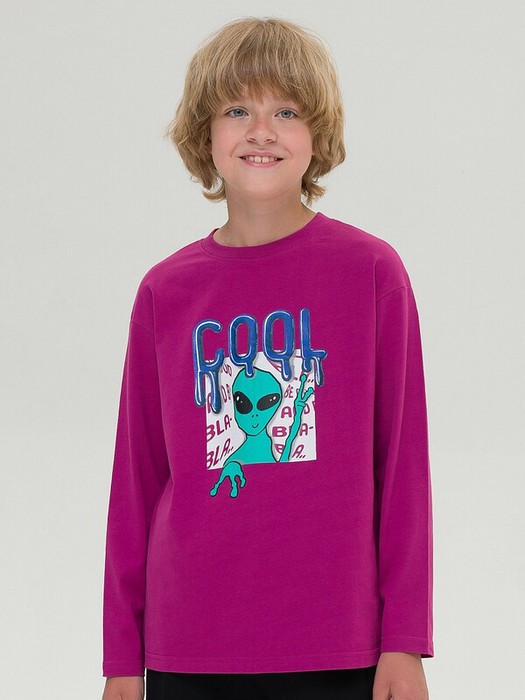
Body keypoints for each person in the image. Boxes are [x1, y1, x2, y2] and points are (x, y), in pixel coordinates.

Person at [101, 15, 433, 700]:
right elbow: (136, 481)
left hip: (338, 645)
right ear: (205, 135)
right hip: (190, 648)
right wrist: (120, 660)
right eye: (236, 110)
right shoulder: (166, 292)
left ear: (317, 133)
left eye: (285, 110)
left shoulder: (370, 274)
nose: (261, 130)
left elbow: (402, 467)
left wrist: (404, 641)